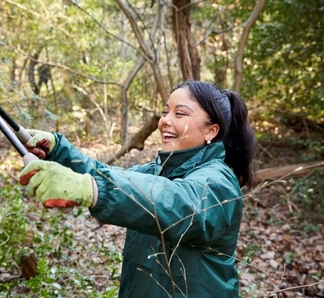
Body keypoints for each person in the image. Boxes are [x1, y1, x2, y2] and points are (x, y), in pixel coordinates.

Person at [19, 80, 256, 297]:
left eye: (180, 113)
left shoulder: (218, 181)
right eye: (165, 112)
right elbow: (104, 174)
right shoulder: (155, 171)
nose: (165, 120)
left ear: (210, 131)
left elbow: (176, 203)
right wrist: (58, 149)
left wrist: (93, 189)